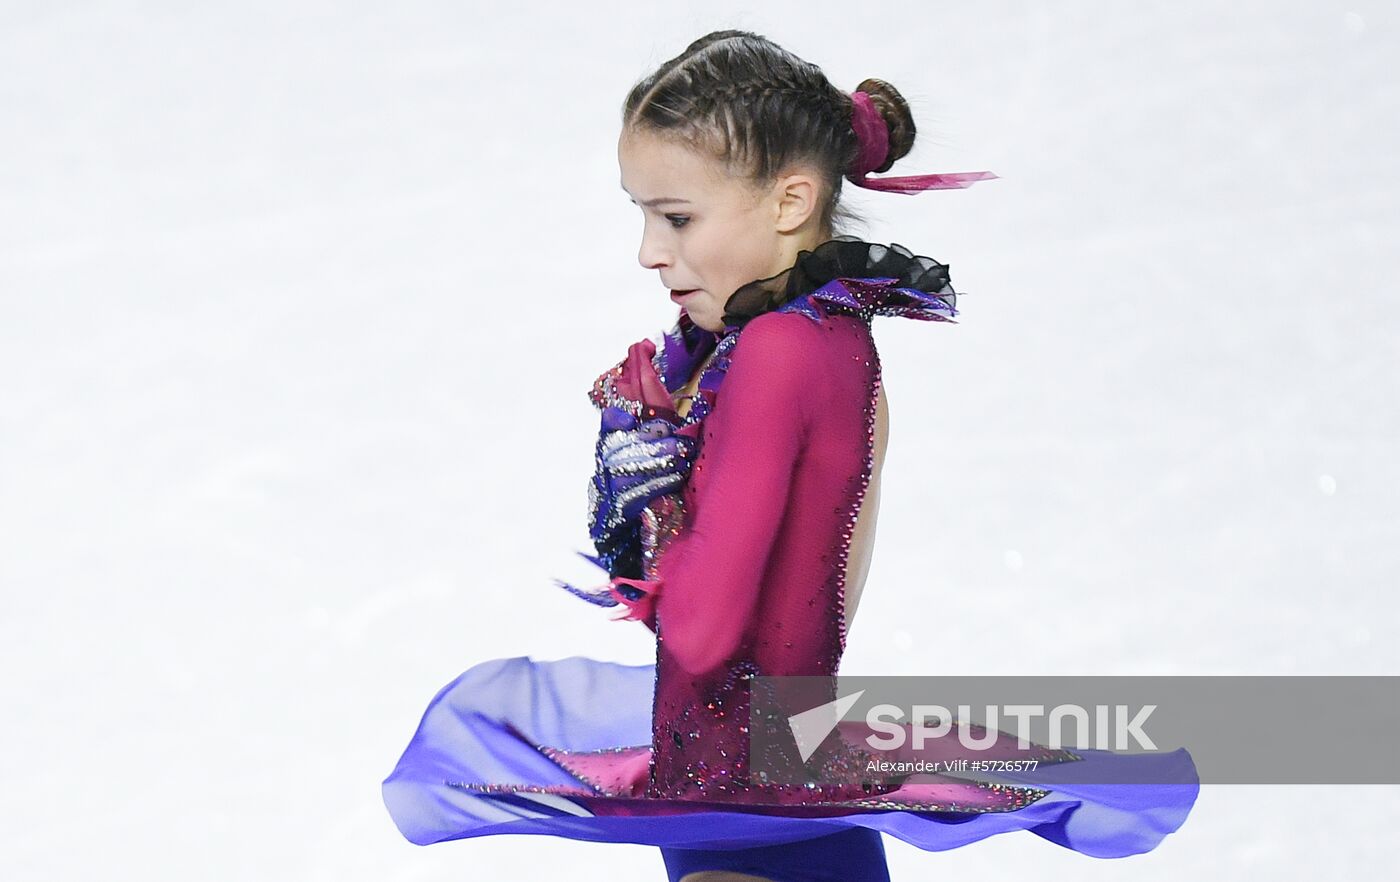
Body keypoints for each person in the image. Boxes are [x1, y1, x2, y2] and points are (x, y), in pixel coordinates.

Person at [381, 30, 1198, 881]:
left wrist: (644, 478)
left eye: (678, 217)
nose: (650, 251)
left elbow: (699, 633)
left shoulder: (777, 355)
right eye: (644, 214)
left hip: (746, 799)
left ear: (790, 200)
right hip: (752, 786)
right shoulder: (815, 341)